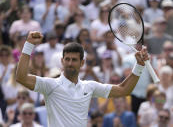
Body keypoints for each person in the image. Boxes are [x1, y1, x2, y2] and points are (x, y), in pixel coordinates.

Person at [16, 31, 149, 127]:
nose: (69, 63)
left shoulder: (89, 86)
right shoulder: (50, 85)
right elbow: (21, 77)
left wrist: (139, 66)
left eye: (74, 60)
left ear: (82, 63)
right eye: (67, 59)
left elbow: (123, 90)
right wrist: (28, 45)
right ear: (62, 61)